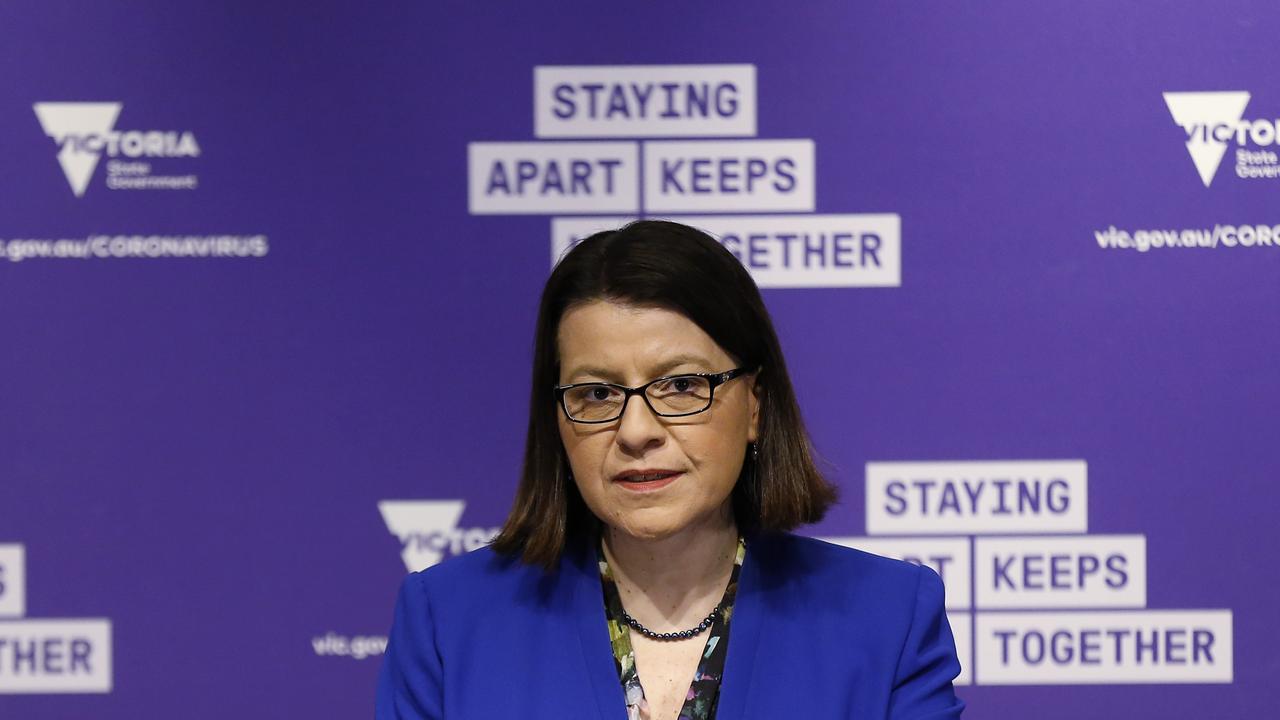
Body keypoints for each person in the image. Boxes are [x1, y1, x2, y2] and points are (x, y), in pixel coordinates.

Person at [376, 220, 965, 719]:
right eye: (598, 393)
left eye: (682, 385)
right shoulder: (447, 623)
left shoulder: (886, 618)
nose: (636, 431)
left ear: (754, 404)